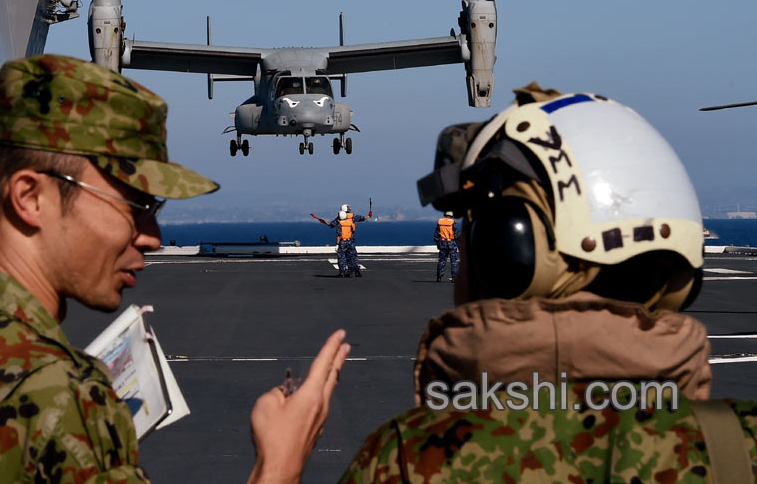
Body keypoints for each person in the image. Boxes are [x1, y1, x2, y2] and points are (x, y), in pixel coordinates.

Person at [0, 55, 350, 483]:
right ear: (30, 197)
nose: (152, 235)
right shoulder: (58, 400)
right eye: (132, 203)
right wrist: (277, 465)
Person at [339, 83, 757, 482]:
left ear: (506, 250)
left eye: (477, 229)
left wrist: (281, 465)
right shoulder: (742, 448)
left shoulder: (407, 461)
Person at [313, 203, 372, 277]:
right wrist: (369, 215)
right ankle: (354, 270)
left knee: (341, 257)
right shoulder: (352, 217)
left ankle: (342, 272)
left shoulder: (339, 219)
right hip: (351, 241)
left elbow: (333, 227)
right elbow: (363, 218)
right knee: (352, 256)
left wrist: (324, 222)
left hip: (342, 242)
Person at [433, 210, 459, 282]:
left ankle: (439, 277)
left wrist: (438, 243)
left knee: (441, 260)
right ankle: (454, 278)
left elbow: (436, 235)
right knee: (454, 261)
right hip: (451, 243)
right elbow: (456, 234)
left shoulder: (440, 222)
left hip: (443, 243)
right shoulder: (452, 222)